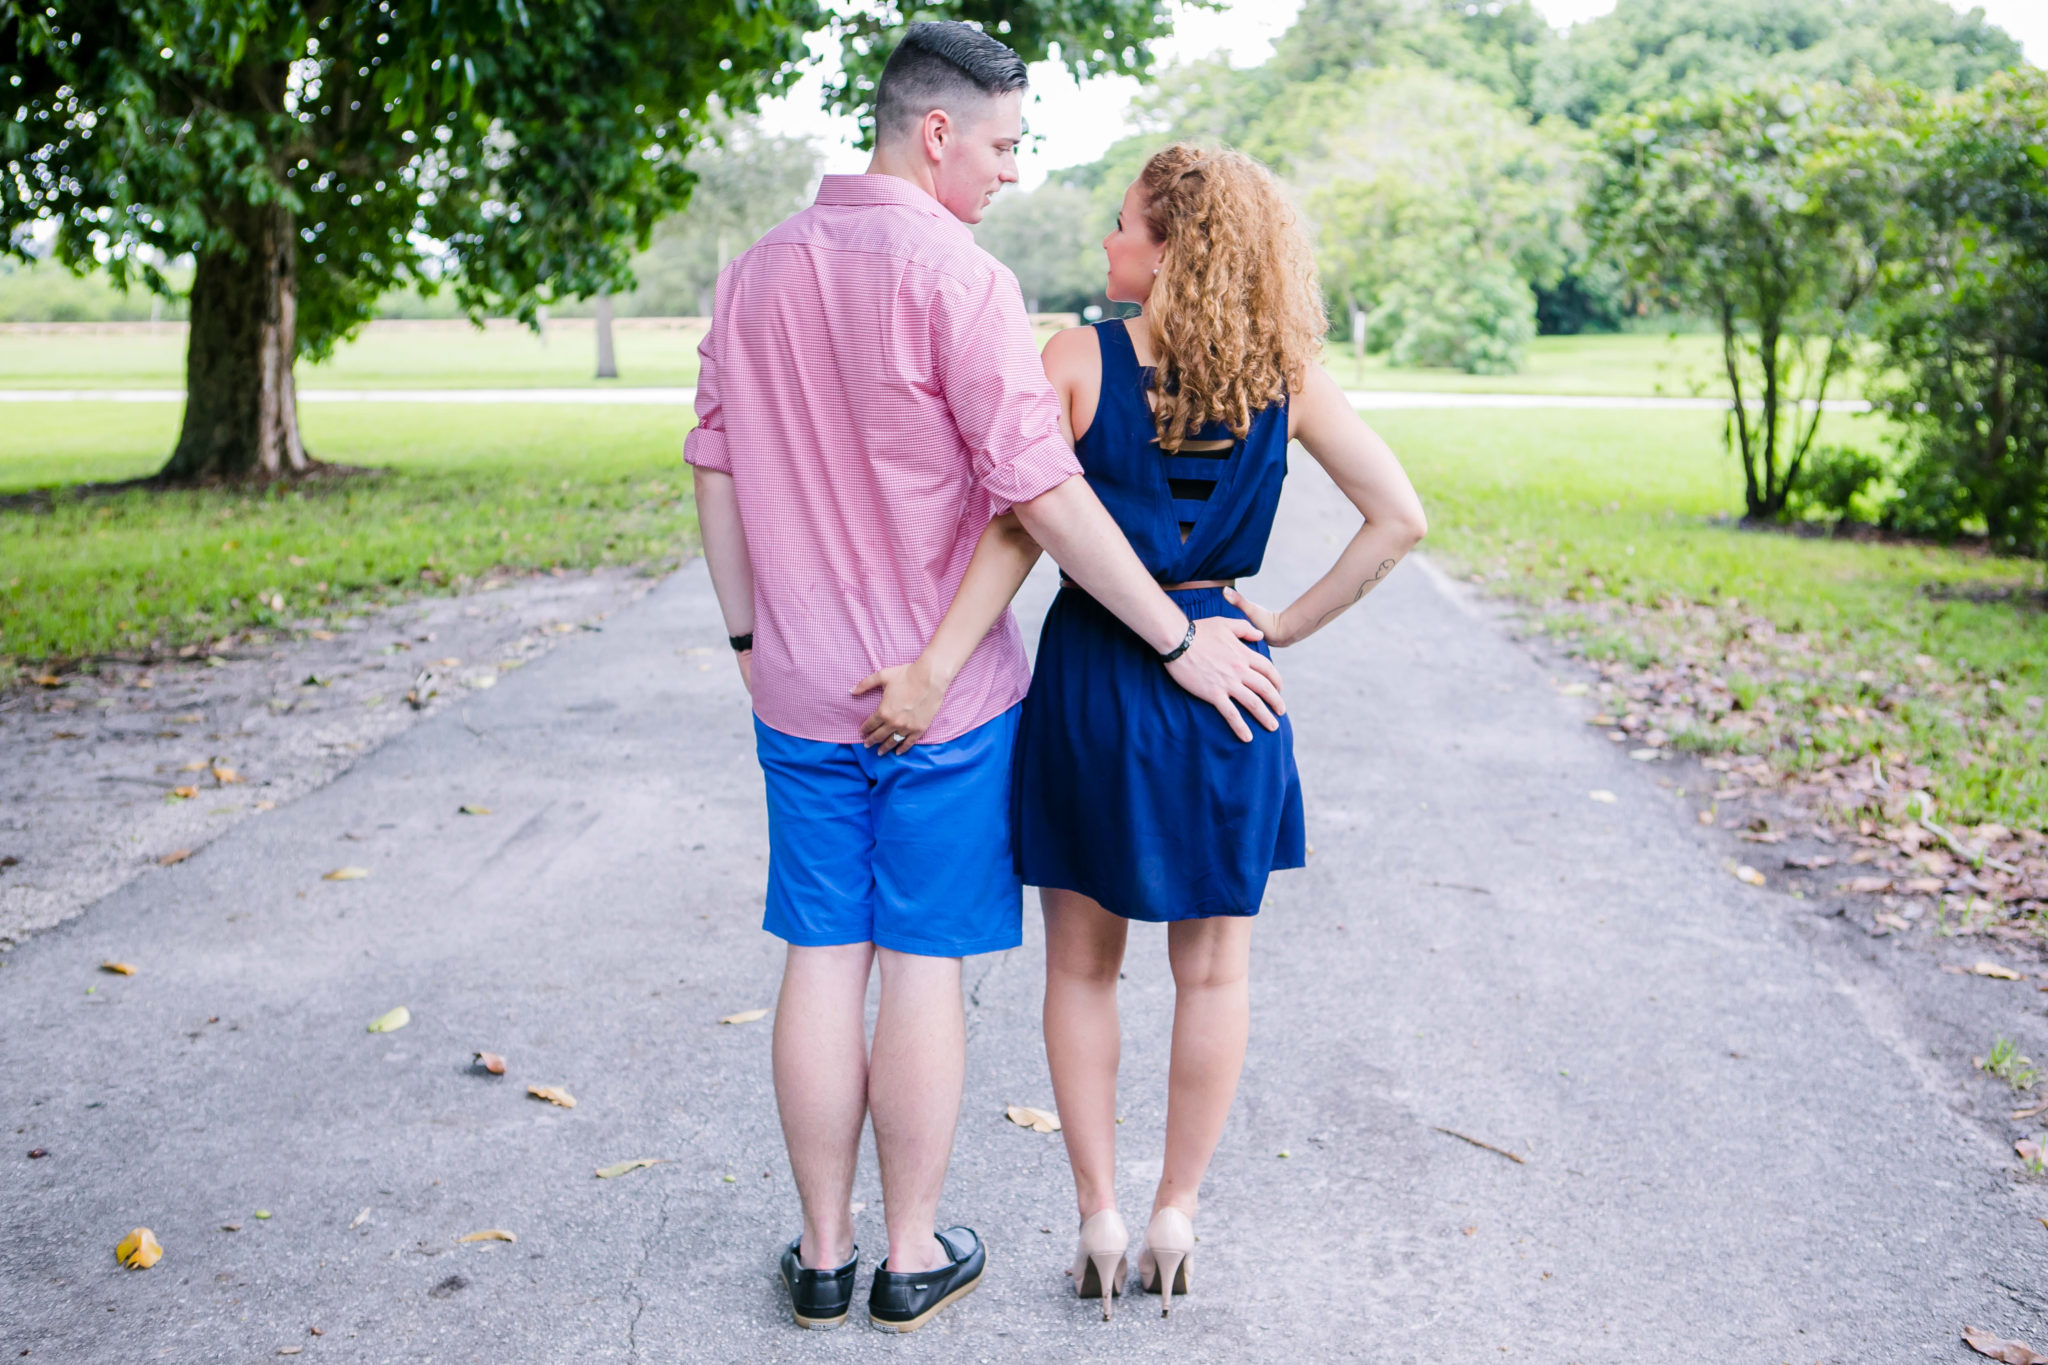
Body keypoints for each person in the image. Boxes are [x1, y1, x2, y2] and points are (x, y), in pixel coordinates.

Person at [685, 25, 1286, 1335]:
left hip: (795, 689)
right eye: (1008, 145)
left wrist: (748, 646)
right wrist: (1178, 639)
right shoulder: (961, 282)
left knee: (819, 953)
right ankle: (909, 1255)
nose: (1015, 173)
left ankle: (823, 1253)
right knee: (922, 962)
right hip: (948, 704)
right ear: (939, 132)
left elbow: (714, 466)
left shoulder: (753, 275)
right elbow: (1043, 498)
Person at [863, 144, 1427, 1318]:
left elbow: (1021, 534)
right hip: (1234, 685)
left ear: (1170, 246)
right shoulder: (1288, 371)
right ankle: (1175, 1209)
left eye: (1123, 223)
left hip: (1095, 682)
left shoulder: (1072, 361)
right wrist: (1280, 627)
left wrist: (932, 667)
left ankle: (1098, 1216)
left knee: (1082, 965)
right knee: (1213, 969)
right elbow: (1397, 519)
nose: (1108, 242)